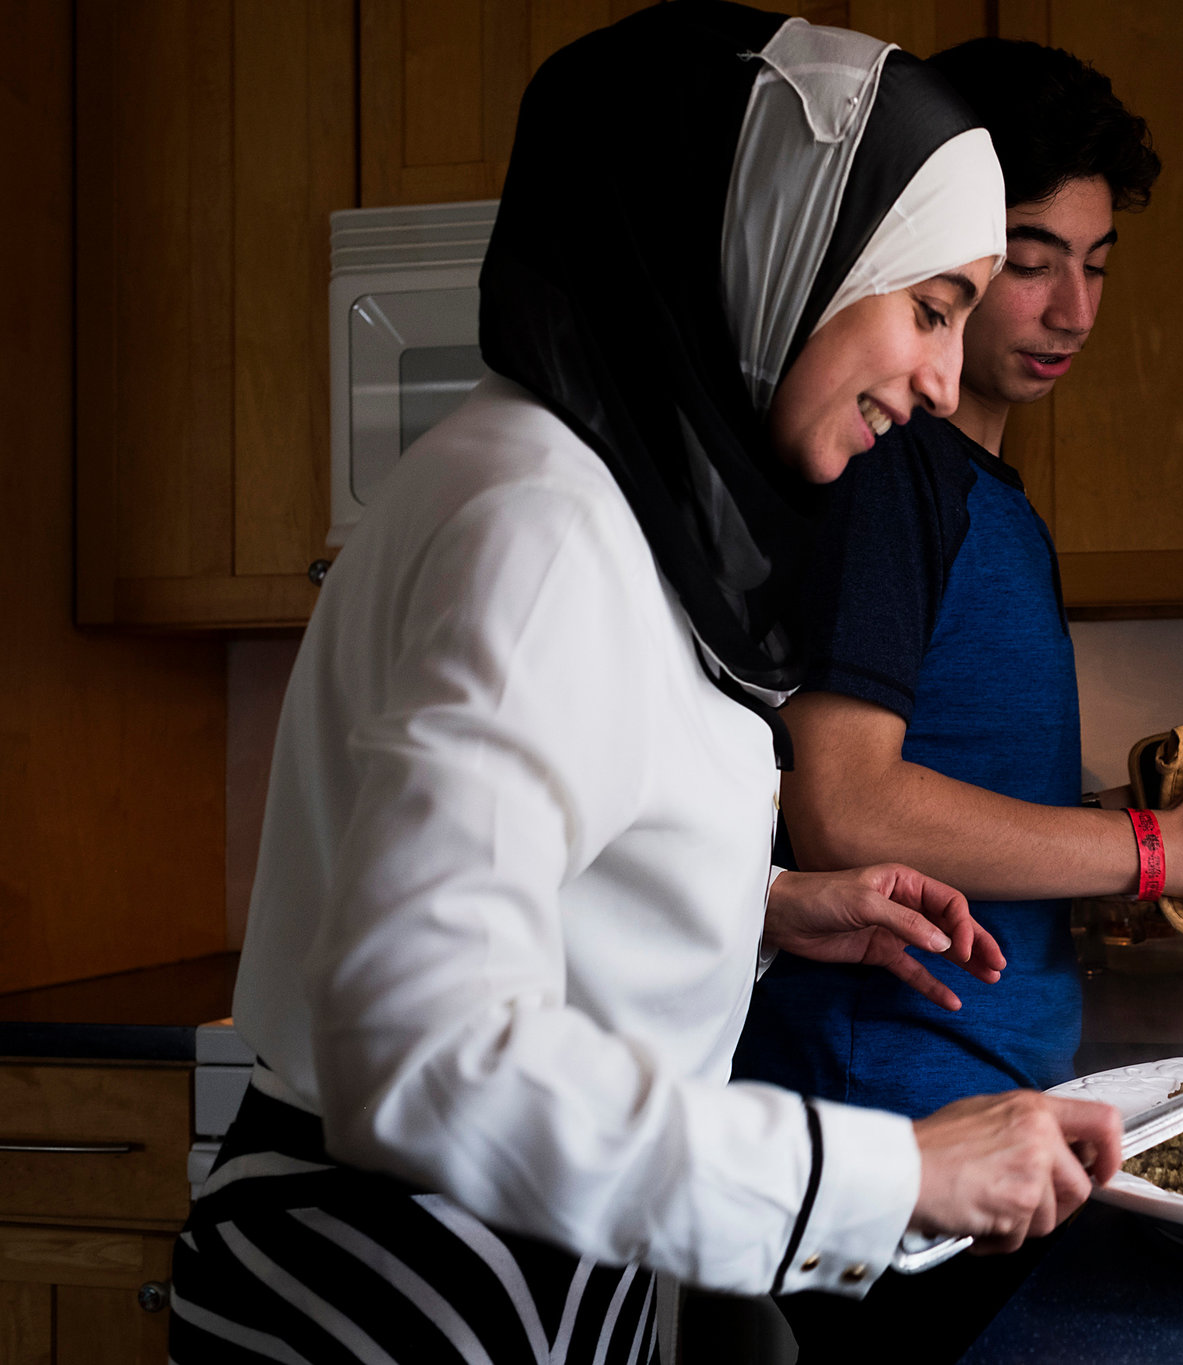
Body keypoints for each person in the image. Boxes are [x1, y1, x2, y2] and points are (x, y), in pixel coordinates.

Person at [167, 8, 1121, 1363]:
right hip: (401, 1286)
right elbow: (419, 1045)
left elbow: (542, 867)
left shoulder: (616, 502)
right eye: (927, 306)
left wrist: (758, 904)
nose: (940, 378)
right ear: (788, 254)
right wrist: (895, 1173)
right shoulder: (542, 523)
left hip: (520, 1263)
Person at [730, 37, 1168, 1364]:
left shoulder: (986, 499)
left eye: (1095, 265)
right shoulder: (886, 473)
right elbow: (850, 806)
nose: (1071, 309)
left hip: (990, 1131)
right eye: (1032, 260)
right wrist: (1166, 850)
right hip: (881, 1140)